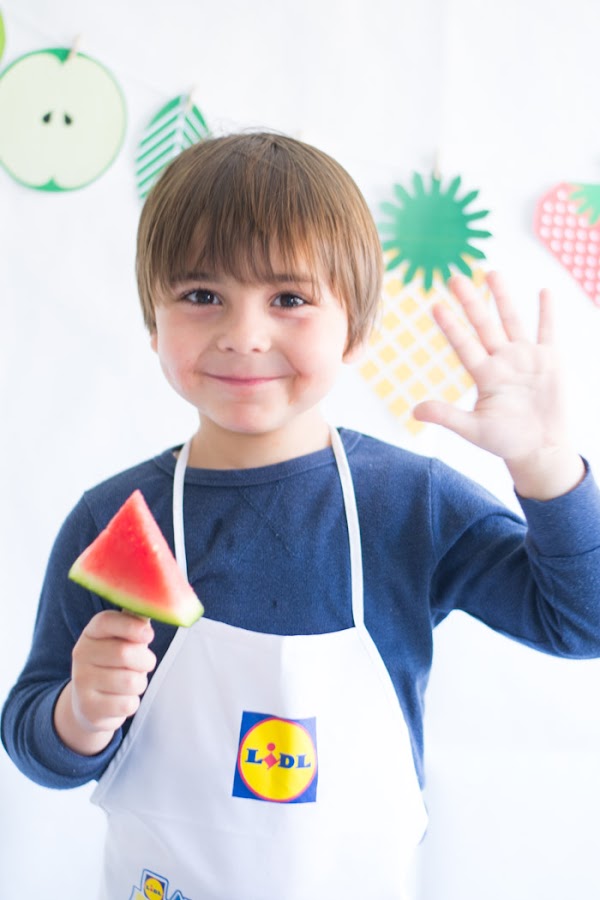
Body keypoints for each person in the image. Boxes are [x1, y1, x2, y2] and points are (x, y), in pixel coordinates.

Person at [2, 132, 600, 900]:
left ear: (355, 327)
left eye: (289, 299)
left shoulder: (409, 503)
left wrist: (547, 468)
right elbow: (32, 741)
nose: (244, 333)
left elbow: (580, 623)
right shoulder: (116, 518)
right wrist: (79, 713)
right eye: (200, 295)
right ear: (153, 322)